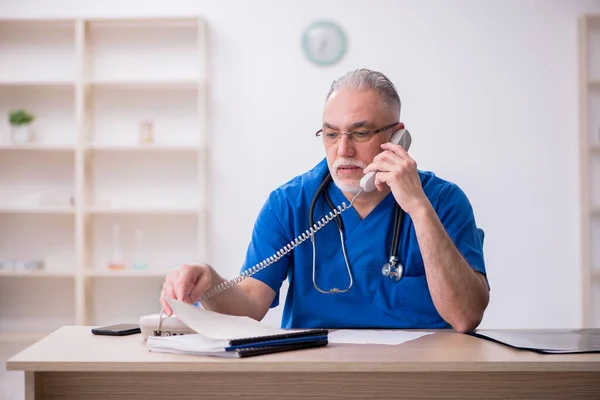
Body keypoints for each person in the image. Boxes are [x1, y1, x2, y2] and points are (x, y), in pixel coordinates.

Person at [160, 68, 489, 333]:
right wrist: (208, 281)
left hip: (424, 377)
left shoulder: (444, 201)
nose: (343, 150)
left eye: (360, 133)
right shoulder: (289, 204)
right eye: (331, 134)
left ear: (396, 137)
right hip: (318, 373)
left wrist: (419, 208)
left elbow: (465, 317)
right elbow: (250, 303)